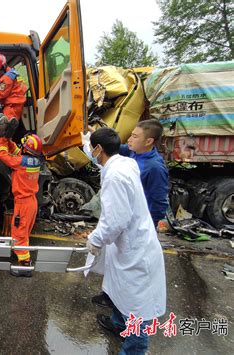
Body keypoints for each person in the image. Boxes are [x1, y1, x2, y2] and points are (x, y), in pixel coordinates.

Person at [86, 127, 166, 354]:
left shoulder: (116, 174)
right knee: (119, 290)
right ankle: (119, 324)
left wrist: (97, 239)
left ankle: (134, 349)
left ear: (99, 148)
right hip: (128, 243)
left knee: (137, 308)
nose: (90, 151)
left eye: (92, 147)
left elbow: (115, 220)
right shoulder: (124, 162)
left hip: (136, 250)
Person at [0, 134, 42, 277]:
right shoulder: (35, 161)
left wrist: (2, 141)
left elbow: (3, 155)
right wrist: (10, 141)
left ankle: (25, 265)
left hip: (23, 204)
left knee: (19, 233)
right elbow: (17, 151)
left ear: (26, 149)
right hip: (32, 202)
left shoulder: (20, 162)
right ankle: (23, 257)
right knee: (25, 231)